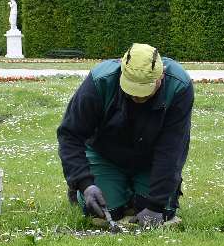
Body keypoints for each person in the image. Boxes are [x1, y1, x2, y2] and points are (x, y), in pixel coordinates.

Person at [57, 43, 193, 229]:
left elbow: (172, 150)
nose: (137, 98)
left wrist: (156, 205)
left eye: (144, 92)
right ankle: (83, 193)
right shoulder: (99, 81)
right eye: (132, 91)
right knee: (103, 210)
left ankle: (134, 193)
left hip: (150, 160)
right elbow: (70, 134)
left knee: (160, 212)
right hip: (106, 155)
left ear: (161, 77)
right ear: (121, 73)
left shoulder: (179, 87)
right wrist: (84, 183)